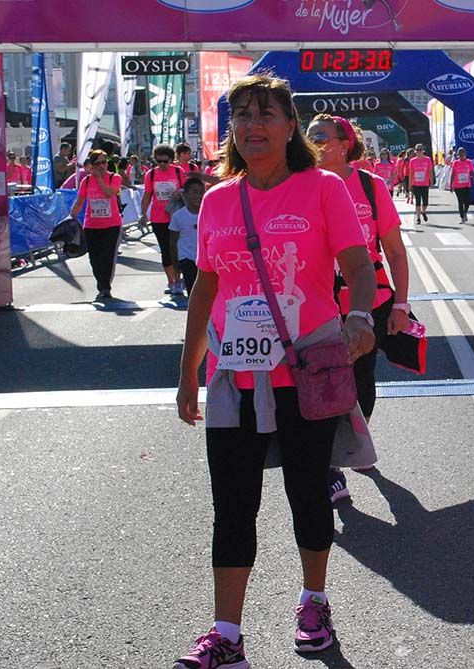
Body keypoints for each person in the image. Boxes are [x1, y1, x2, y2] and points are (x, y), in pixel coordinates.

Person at [173, 74, 376, 668]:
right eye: (241, 115)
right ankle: (226, 634)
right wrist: (188, 373)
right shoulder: (217, 199)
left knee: (308, 495)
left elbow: (360, 267)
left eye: (266, 114)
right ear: (230, 129)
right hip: (233, 376)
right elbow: (205, 289)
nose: (253, 125)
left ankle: (314, 600)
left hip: (306, 371)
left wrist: (360, 316)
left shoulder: (322, 189)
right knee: (232, 504)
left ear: (291, 127)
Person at [307, 114, 410, 503]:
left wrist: (401, 302)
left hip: (370, 302)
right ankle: (331, 464)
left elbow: (395, 251)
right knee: (325, 382)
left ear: (345, 143)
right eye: (310, 135)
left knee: (362, 382)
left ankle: (355, 439)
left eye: (323, 136)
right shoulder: (301, 183)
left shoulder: (371, 186)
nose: (315, 142)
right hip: (317, 305)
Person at [69, 149, 123, 301]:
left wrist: (99, 179)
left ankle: (104, 287)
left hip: (111, 224)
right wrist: (70, 217)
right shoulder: (86, 181)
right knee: (94, 258)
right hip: (92, 225)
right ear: (91, 166)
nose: (101, 166)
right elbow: (79, 203)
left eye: (104, 162)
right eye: (97, 163)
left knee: (107, 257)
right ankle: (102, 284)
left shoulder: (115, 177)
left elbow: (109, 193)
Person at [139, 144, 187, 296]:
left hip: (177, 216)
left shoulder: (179, 172)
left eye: (165, 161)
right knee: (165, 250)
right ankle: (171, 281)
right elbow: (147, 195)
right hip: (158, 218)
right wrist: (143, 213)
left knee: (177, 249)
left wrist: (181, 194)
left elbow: (188, 191)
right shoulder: (151, 175)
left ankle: (179, 280)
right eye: (158, 161)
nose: (162, 164)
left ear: (171, 160)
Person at [168, 176, 205, 294]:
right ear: (185, 194)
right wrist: (175, 265)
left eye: (201, 192)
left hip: (205, 260)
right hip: (187, 258)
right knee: (192, 290)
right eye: (194, 192)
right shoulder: (178, 216)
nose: (198, 196)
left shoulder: (208, 213)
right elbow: (173, 242)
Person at [408, 143, 434, 224]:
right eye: (417, 150)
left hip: (425, 184)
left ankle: (423, 211)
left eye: (420, 149)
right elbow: (411, 173)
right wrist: (410, 184)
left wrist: (431, 182)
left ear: (423, 151)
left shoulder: (428, 159)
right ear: (416, 151)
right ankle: (418, 218)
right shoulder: (412, 161)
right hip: (416, 184)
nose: (419, 151)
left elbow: (430, 172)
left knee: (425, 202)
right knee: (418, 202)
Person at [449, 147, 474, 223]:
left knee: (467, 201)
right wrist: (451, 185)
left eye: (462, 153)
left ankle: (465, 213)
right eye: (459, 154)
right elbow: (453, 174)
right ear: (458, 155)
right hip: (457, 186)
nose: (461, 155)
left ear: (465, 154)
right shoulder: (456, 163)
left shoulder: (469, 162)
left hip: (467, 185)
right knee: (460, 201)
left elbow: (472, 171)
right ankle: (462, 217)